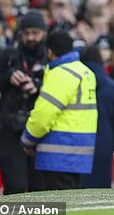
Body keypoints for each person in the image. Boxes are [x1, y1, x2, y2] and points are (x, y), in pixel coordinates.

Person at [0, 10, 48, 194]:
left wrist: (39, 85)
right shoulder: (8, 56)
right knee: (15, 187)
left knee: (40, 191)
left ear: (44, 33)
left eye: (35, 33)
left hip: (41, 132)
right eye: (26, 33)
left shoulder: (50, 59)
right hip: (11, 132)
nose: (30, 38)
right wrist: (7, 77)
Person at [20, 31, 98, 191]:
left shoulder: (60, 74)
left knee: (58, 209)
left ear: (50, 52)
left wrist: (27, 140)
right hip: (79, 153)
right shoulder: (86, 72)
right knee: (71, 208)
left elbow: (42, 117)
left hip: (57, 155)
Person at [79, 45, 114, 188]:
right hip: (104, 143)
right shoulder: (112, 86)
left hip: (77, 144)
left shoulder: (73, 84)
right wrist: (111, 143)